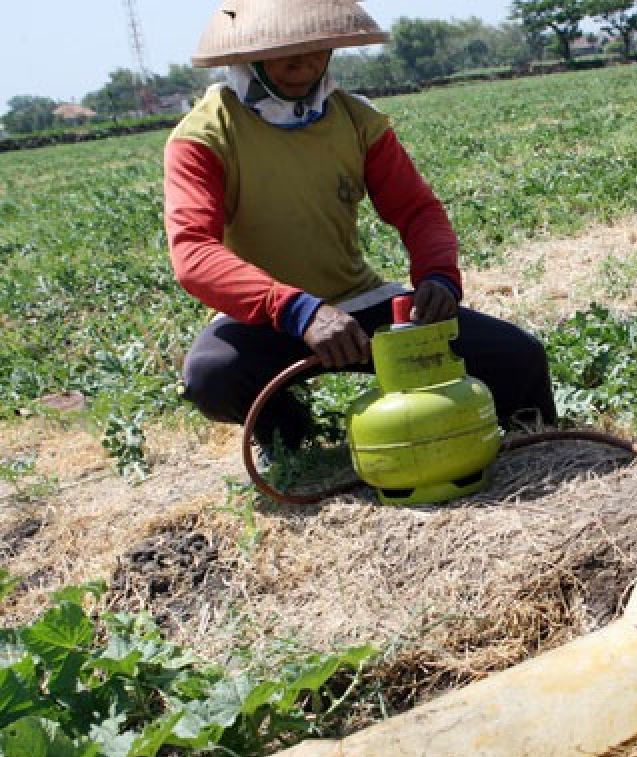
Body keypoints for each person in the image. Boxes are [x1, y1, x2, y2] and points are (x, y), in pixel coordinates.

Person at [164, 0, 557, 457]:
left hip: (357, 303)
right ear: (246, 53)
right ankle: (284, 429)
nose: (306, 61)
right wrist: (299, 311)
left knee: (517, 358)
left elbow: (417, 210)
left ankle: (537, 448)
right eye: (286, 50)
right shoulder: (204, 135)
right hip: (263, 315)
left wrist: (438, 275)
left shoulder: (355, 119)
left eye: (318, 47)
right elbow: (194, 253)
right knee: (213, 376)